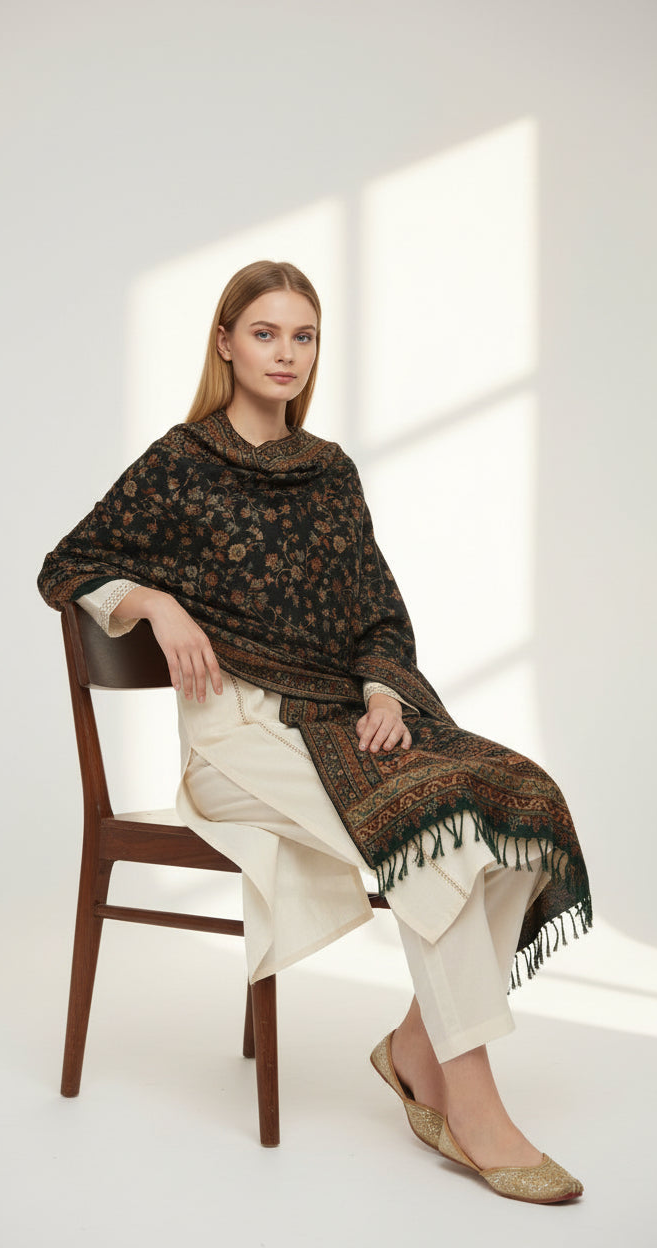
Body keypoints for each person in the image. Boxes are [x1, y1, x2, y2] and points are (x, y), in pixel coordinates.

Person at [38, 259, 591, 1203]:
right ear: (225, 342)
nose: (285, 352)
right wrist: (155, 602)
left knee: (521, 805)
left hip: (342, 722)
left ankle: (416, 1046)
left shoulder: (329, 471)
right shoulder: (182, 461)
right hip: (237, 743)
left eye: (303, 336)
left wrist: (383, 692)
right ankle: (471, 1102)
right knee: (432, 843)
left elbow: (378, 611)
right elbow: (68, 564)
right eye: (265, 333)